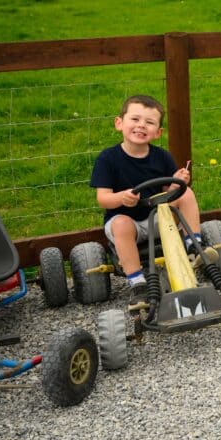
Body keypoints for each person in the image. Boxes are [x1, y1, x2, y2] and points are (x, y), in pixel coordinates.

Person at [91, 95, 202, 304]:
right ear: (119, 123)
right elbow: (103, 199)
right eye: (135, 119)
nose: (141, 126)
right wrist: (121, 198)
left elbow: (169, 191)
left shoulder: (162, 156)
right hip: (126, 223)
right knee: (122, 224)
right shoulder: (108, 159)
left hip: (157, 217)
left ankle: (193, 245)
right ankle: (137, 281)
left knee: (186, 192)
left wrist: (177, 182)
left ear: (158, 132)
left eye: (149, 122)